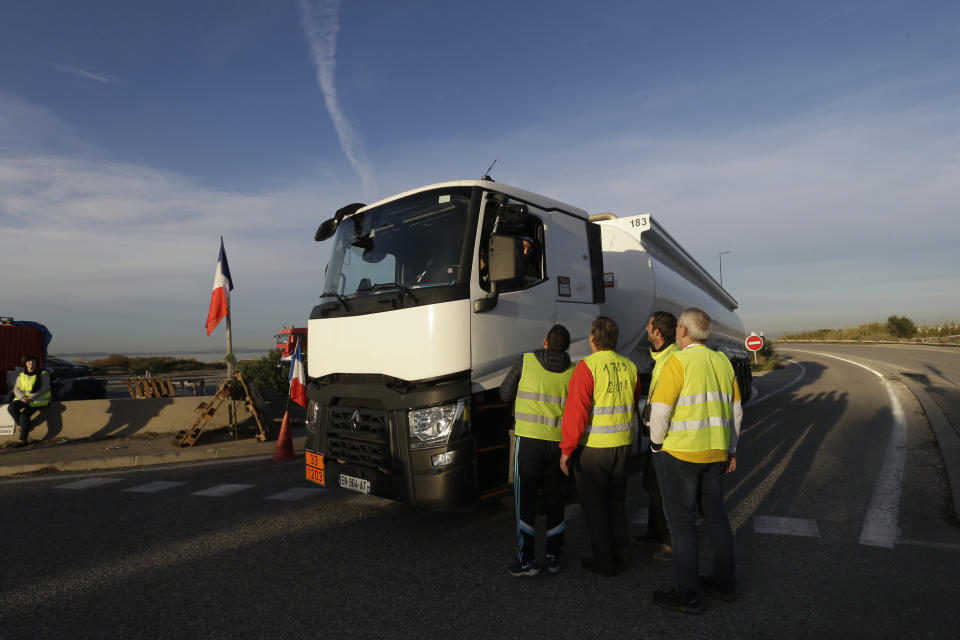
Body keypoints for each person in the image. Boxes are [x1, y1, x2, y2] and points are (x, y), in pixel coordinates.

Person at [648, 307, 742, 613]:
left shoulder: (678, 361)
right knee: (716, 516)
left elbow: (660, 412)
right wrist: (731, 449)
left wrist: (656, 445)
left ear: (684, 331)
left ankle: (688, 592)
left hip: (681, 453)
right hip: (715, 452)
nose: (676, 331)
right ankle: (725, 583)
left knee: (682, 523)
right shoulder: (723, 362)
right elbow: (736, 412)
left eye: (678, 327)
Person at [559, 316, 642, 576]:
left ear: (592, 339)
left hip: (594, 449)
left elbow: (577, 413)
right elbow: (634, 399)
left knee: (595, 506)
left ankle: (604, 560)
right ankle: (624, 553)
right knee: (617, 502)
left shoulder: (586, 367)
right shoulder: (630, 366)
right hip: (621, 446)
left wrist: (566, 450)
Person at [500, 324, 575, 577]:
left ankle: (526, 561)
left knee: (526, 500)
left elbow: (504, 392)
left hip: (529, 442)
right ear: (566, 347)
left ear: (545, 342)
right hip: (558, 444)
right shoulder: (574, 371)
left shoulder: (526, 362)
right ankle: (554, 557)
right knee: (556, 499)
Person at [634, 311, 678, 562]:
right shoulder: (662, 357)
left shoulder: (673, 358)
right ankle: (655, 533)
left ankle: (671, 541)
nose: (647, 329)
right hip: (659, 432)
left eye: (649, 326)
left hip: (670, 436)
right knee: (652, 484)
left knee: (666, 488)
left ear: (658, 332)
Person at [7, 354, 51, 446]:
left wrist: (31, 397)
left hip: (37, 400)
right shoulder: (21, 374)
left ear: (36, 363)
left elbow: (45, 388)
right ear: (25, 364)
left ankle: (22, 440)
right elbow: (16, 389)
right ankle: (22, 425)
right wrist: (23, 397)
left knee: (24, 416)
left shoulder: (43, 373)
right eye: (28, 362)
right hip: (23, 399)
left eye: (33, 361)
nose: (31, 363)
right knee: (11, 408)